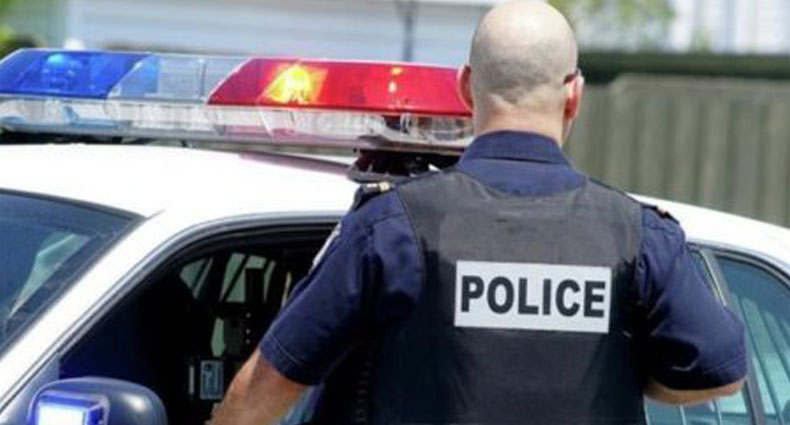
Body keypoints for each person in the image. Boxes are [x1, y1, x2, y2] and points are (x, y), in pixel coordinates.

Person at [210, 2, 746, 424]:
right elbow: (722, 373)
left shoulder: (392, 228)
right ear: (574, 95)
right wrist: (622, 370)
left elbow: (264, 390)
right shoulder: (637, 236)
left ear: (466, 85)